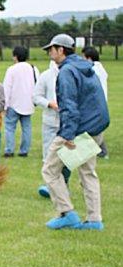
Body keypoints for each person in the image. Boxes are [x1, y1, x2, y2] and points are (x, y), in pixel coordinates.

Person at [41, 34, 109, 230]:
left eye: (51, 49)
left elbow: (69, 105)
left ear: (61, 50)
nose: (49, 53)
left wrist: (68, 136)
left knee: (50, 170)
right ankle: (95, 219)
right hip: (96, 127)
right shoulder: (86, 68)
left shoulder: (67, 72)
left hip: (78, 130)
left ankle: (66, 212)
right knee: (88, 172)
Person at [33, 60, 70, 198]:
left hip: (68, 122)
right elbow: (36, 96)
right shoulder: (46, 75)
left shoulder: (71, 74)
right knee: (49, 154)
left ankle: (64, 185)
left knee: (67, 155)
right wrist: (49, 103)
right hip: (50, 122)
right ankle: (51, 186)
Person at [3, 46, 39, 158]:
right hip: (28, 103)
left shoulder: (11, 69)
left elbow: (6, 88)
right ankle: (24, 150)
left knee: (9, 127)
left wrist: (5, 105)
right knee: (26, 128)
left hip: (13, 103)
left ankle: (9, 150)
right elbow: (38, 85)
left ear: (15, 56)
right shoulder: (33, 68)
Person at [82, 46, 109, 159]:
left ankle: (102, 150)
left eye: (83, 57)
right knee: (95, 127)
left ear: (89, 58)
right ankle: (100, 150)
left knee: (94, 128)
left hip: (95, 102)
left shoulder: (93, 69)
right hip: (100, 101)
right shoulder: (100, 68)